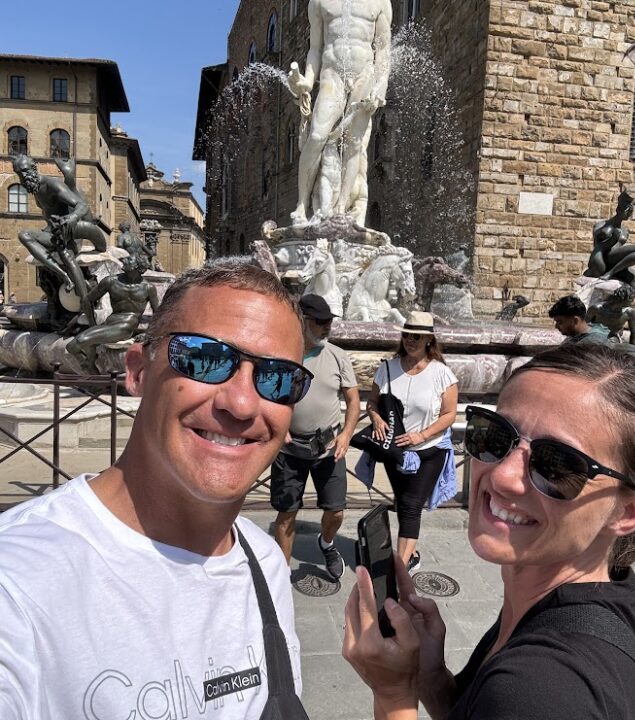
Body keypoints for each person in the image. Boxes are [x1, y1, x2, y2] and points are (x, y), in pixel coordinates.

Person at [0, 260, 314, 719]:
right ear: (137, 372)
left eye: (279, 378)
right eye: (206, 359)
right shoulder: (18, 583)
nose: (243, 403)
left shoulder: (264, 560)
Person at [344, 343, 635, 720]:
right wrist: (430, 678)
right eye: (495, 437)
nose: (501, 476)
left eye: (556, 464)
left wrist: (392, 694)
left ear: (629, 512)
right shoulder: (602, 596)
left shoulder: (540, 689)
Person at [272, 294, 360, 580]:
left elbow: (353, 399)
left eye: (329, 322)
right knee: (286, 515)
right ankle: (281, 574)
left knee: (336, 512)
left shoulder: (337, 355)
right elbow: (268, 396)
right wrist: (279, 428)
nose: (327, 328)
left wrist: (347, 434)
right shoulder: (283, 353)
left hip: (328, 448)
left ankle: (327, 543)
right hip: (289, 450)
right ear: (303, 321)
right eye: (321, 323)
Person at [366, 310, 459, 571]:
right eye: (407, 335)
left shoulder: (442, 374)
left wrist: (423, 435)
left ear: (429, 340)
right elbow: (371, 402)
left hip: (428, 451)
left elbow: (450, 414)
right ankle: (411, 551)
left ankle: (400, 567)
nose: (410, 340)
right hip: (395, 451)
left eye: (417, 337)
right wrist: (375, 418)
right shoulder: (387, 368)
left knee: (410, 506)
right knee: (403, 500)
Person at [288, 0, 392, 226]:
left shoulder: (381, 2)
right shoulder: (318, 2)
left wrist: (380, 85)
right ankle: (301, 205)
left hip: (365, 73)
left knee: (354, 144)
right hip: (332, 72)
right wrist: (306, 80)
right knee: (316, 136)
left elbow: (383, 49)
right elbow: (315, 48)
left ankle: (342, 208)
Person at [11, 154, 107, 299]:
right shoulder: (35, 189)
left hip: (71, 232)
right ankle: (63, 275)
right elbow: (49, 215)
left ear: (33, 168)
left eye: (24, 171)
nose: (22, 176)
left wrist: (72, 218)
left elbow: (82, 206)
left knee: (64, 249)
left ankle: (85, 300)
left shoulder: (52, 185)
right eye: (18, 173)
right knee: (24, 235)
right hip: (56, 233)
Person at [66, 253, 160, 372]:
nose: (124, 259)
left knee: (78, 343)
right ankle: (95, 378)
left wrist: (148, 334)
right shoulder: (111, 281)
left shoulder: (148, 288)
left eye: (129, 259)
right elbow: (87, 301)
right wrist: (92, 324)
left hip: (125, 327)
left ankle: (93, 375)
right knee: (71, 346)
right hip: (109, 323)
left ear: (137, 266)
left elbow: (158, 313)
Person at [584, 189, 635, 290]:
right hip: (603, 260)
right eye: (628, 211)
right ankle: (610, 273)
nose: (629, 214)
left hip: (615, 263)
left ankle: (613, 272)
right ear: (619, 209)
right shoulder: (602, 225)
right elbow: (599, 240)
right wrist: (617, 220)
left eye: (631, 211)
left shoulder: (625, 231)